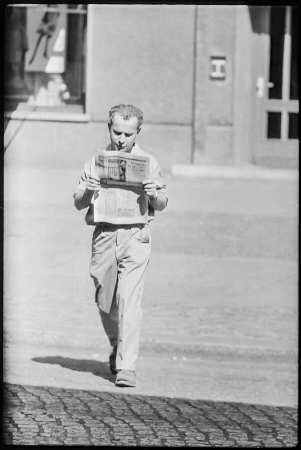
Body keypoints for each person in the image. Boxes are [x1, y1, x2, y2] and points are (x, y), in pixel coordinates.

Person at [73, 104, 168, 387]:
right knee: (105, 301)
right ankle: (117, 345)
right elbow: (78, 202)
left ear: (138, 132)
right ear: (109, 128)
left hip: (135, 237)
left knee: (130, 301)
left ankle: (127, 366)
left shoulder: (149, 162)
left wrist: (153, 194)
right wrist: (89, 188)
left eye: (128, 134)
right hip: (104, 236)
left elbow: (162, 203)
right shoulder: (96, 160)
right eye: (117, 132)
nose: (122, 139)